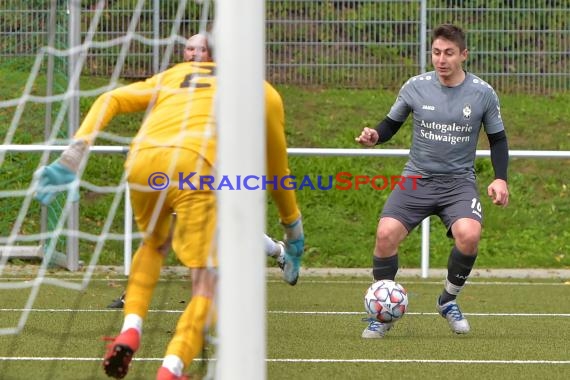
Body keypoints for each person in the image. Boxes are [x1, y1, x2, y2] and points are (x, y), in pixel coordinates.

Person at [34, 32, 305, 380]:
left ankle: (131, 329)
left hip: (142, 160)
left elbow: (110, 99)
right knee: (210, 284)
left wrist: (73, 156)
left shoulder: (177, 74)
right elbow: (278, 170)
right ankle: (171, 369)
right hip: (196, 166)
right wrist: (293, 229)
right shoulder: (262, 92)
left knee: (153, 243)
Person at [355, 24, 509, 338]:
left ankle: (447, 300)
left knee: (470, 234)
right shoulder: (415, 87)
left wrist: (500, 178)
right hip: (416, 180)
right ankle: (382, 317)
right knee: (385, 235)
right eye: (437, 52)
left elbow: (498, 140)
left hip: (458, 183)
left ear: (463, 55)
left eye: (449, 53)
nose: (441, 59)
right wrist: (375, 135)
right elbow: (389, 125)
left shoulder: (482, 93)